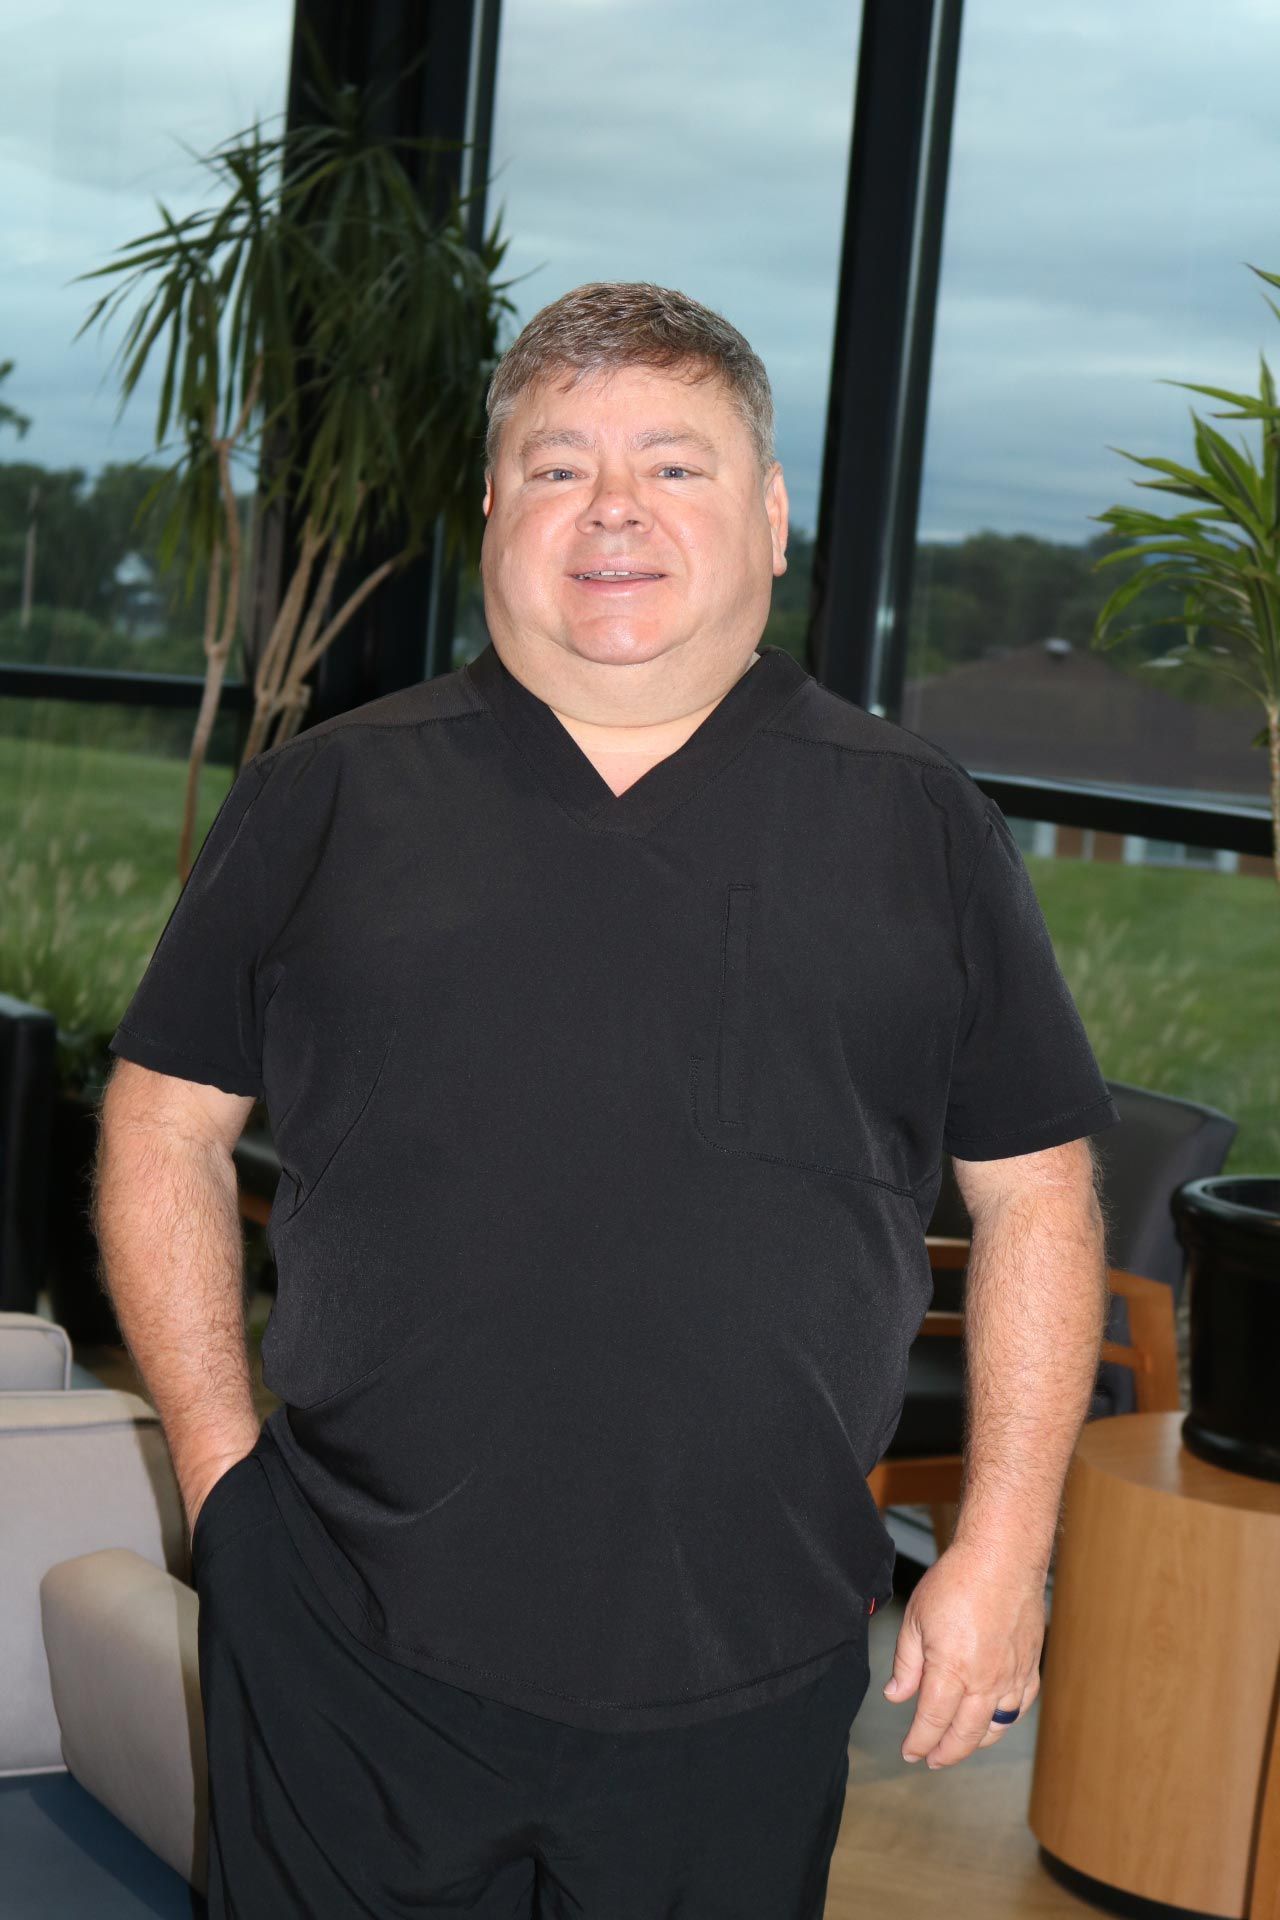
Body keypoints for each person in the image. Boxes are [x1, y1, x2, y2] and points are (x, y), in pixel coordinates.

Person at [93, 280, 1120, 1918]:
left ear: (773, 515)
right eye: (560, 464)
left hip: (751, 1665)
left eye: (676, 463)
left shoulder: (918, 827)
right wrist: (225, 1481)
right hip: (352, 1642)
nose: (613, 509)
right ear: (497, 508)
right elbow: (163, 1118)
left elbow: (1038, 1195)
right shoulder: (328, 797)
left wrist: (1000, 1550)